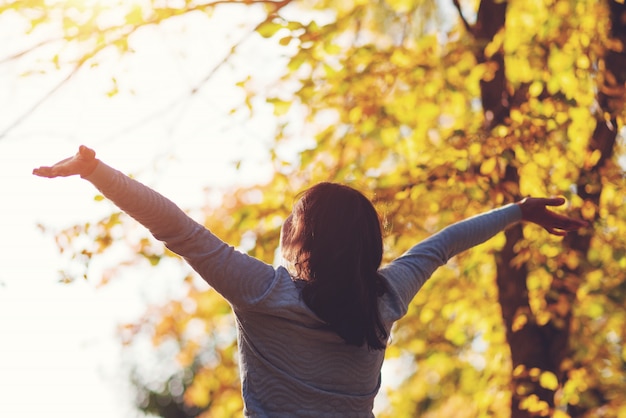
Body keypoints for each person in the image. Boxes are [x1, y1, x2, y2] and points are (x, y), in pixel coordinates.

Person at [33, 145, 587, 417]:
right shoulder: (385, 299)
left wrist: (95, 171)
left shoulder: (263, 293)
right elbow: (442, 245)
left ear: (302, 240)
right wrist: (518, 211)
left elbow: (178, 228)